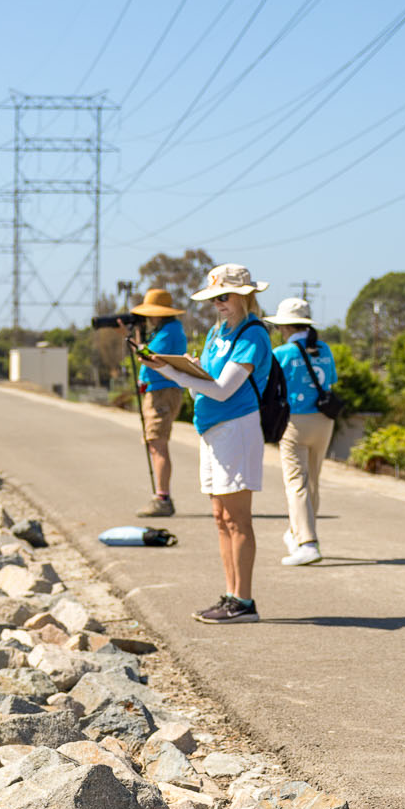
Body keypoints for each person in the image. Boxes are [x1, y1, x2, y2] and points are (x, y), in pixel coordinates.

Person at [136, 264, 276, 624]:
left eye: (224, 296)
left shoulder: (253, 334)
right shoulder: (218, 331)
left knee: (238, 519)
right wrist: (182, 369)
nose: (219, 303)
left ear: (245, 295)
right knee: (221, 517)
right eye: (214, 298)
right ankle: (231, 595)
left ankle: (244, 600)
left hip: (237, 429)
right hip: (212, 430)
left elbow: (223, 390)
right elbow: (201, 387)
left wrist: (171, 371)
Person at [267, 297, 336, 565]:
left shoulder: (282, 354)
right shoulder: (324, 349)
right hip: (324, 421)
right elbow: (331, 381)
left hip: (294, 422)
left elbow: (270, 389)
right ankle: (298, 531)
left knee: (297, 483)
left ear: (285, 327)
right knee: (313, 482)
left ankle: (307, 543)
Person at [130, 288, 189, 517]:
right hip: (158, 391)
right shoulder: (165, 330)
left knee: (158, 443)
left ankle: (162, 498)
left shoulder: (170, 330)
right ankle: (161, 495)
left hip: (163, 392)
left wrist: (135, 339)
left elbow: (149, 356)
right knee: (154, 443)